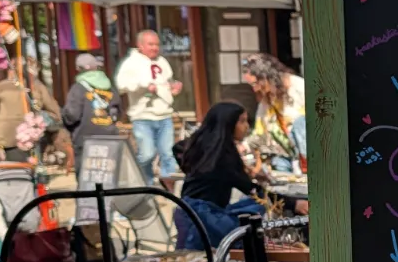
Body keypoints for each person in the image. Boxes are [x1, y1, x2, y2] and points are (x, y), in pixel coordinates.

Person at [175, 102, 264, 249]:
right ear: (228, 123)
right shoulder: (223, 156)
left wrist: (193, 169)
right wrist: (291, 203)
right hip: (204, 217)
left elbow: (178, 148)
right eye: (242, 121)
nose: (247, 126)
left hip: (187, 211)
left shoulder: (206, 146)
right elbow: (251, 189)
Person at [116, 29, 183, 189]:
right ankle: (144, 183)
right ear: (140, 45)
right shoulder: (131, 63)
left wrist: (173, 88)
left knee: (168, 154)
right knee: (147, 154)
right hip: (143, 116)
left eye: (157, 44)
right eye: (150, 44)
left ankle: (169, 189)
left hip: (164, 114)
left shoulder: (162, 61)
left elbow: (167, 82)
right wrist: (143, 86)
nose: (154, 48)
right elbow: (121, 85)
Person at [242, 54, 306, 173]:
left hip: (308, 152)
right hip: (284, 155)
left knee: (300, 123)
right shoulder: (266, 100)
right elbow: (260, 132)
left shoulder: (299, 87)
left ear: (266, 77)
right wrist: (244, 146)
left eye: (255, 83)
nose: (255, 89)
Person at [61, 53, 124, 150]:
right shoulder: (110, 87)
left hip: (85, 140)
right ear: (96, 66)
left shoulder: (78, 88)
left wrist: (65, 123)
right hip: (110, 138)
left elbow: (72, 115)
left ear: (78, 69)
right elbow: (117, 112)